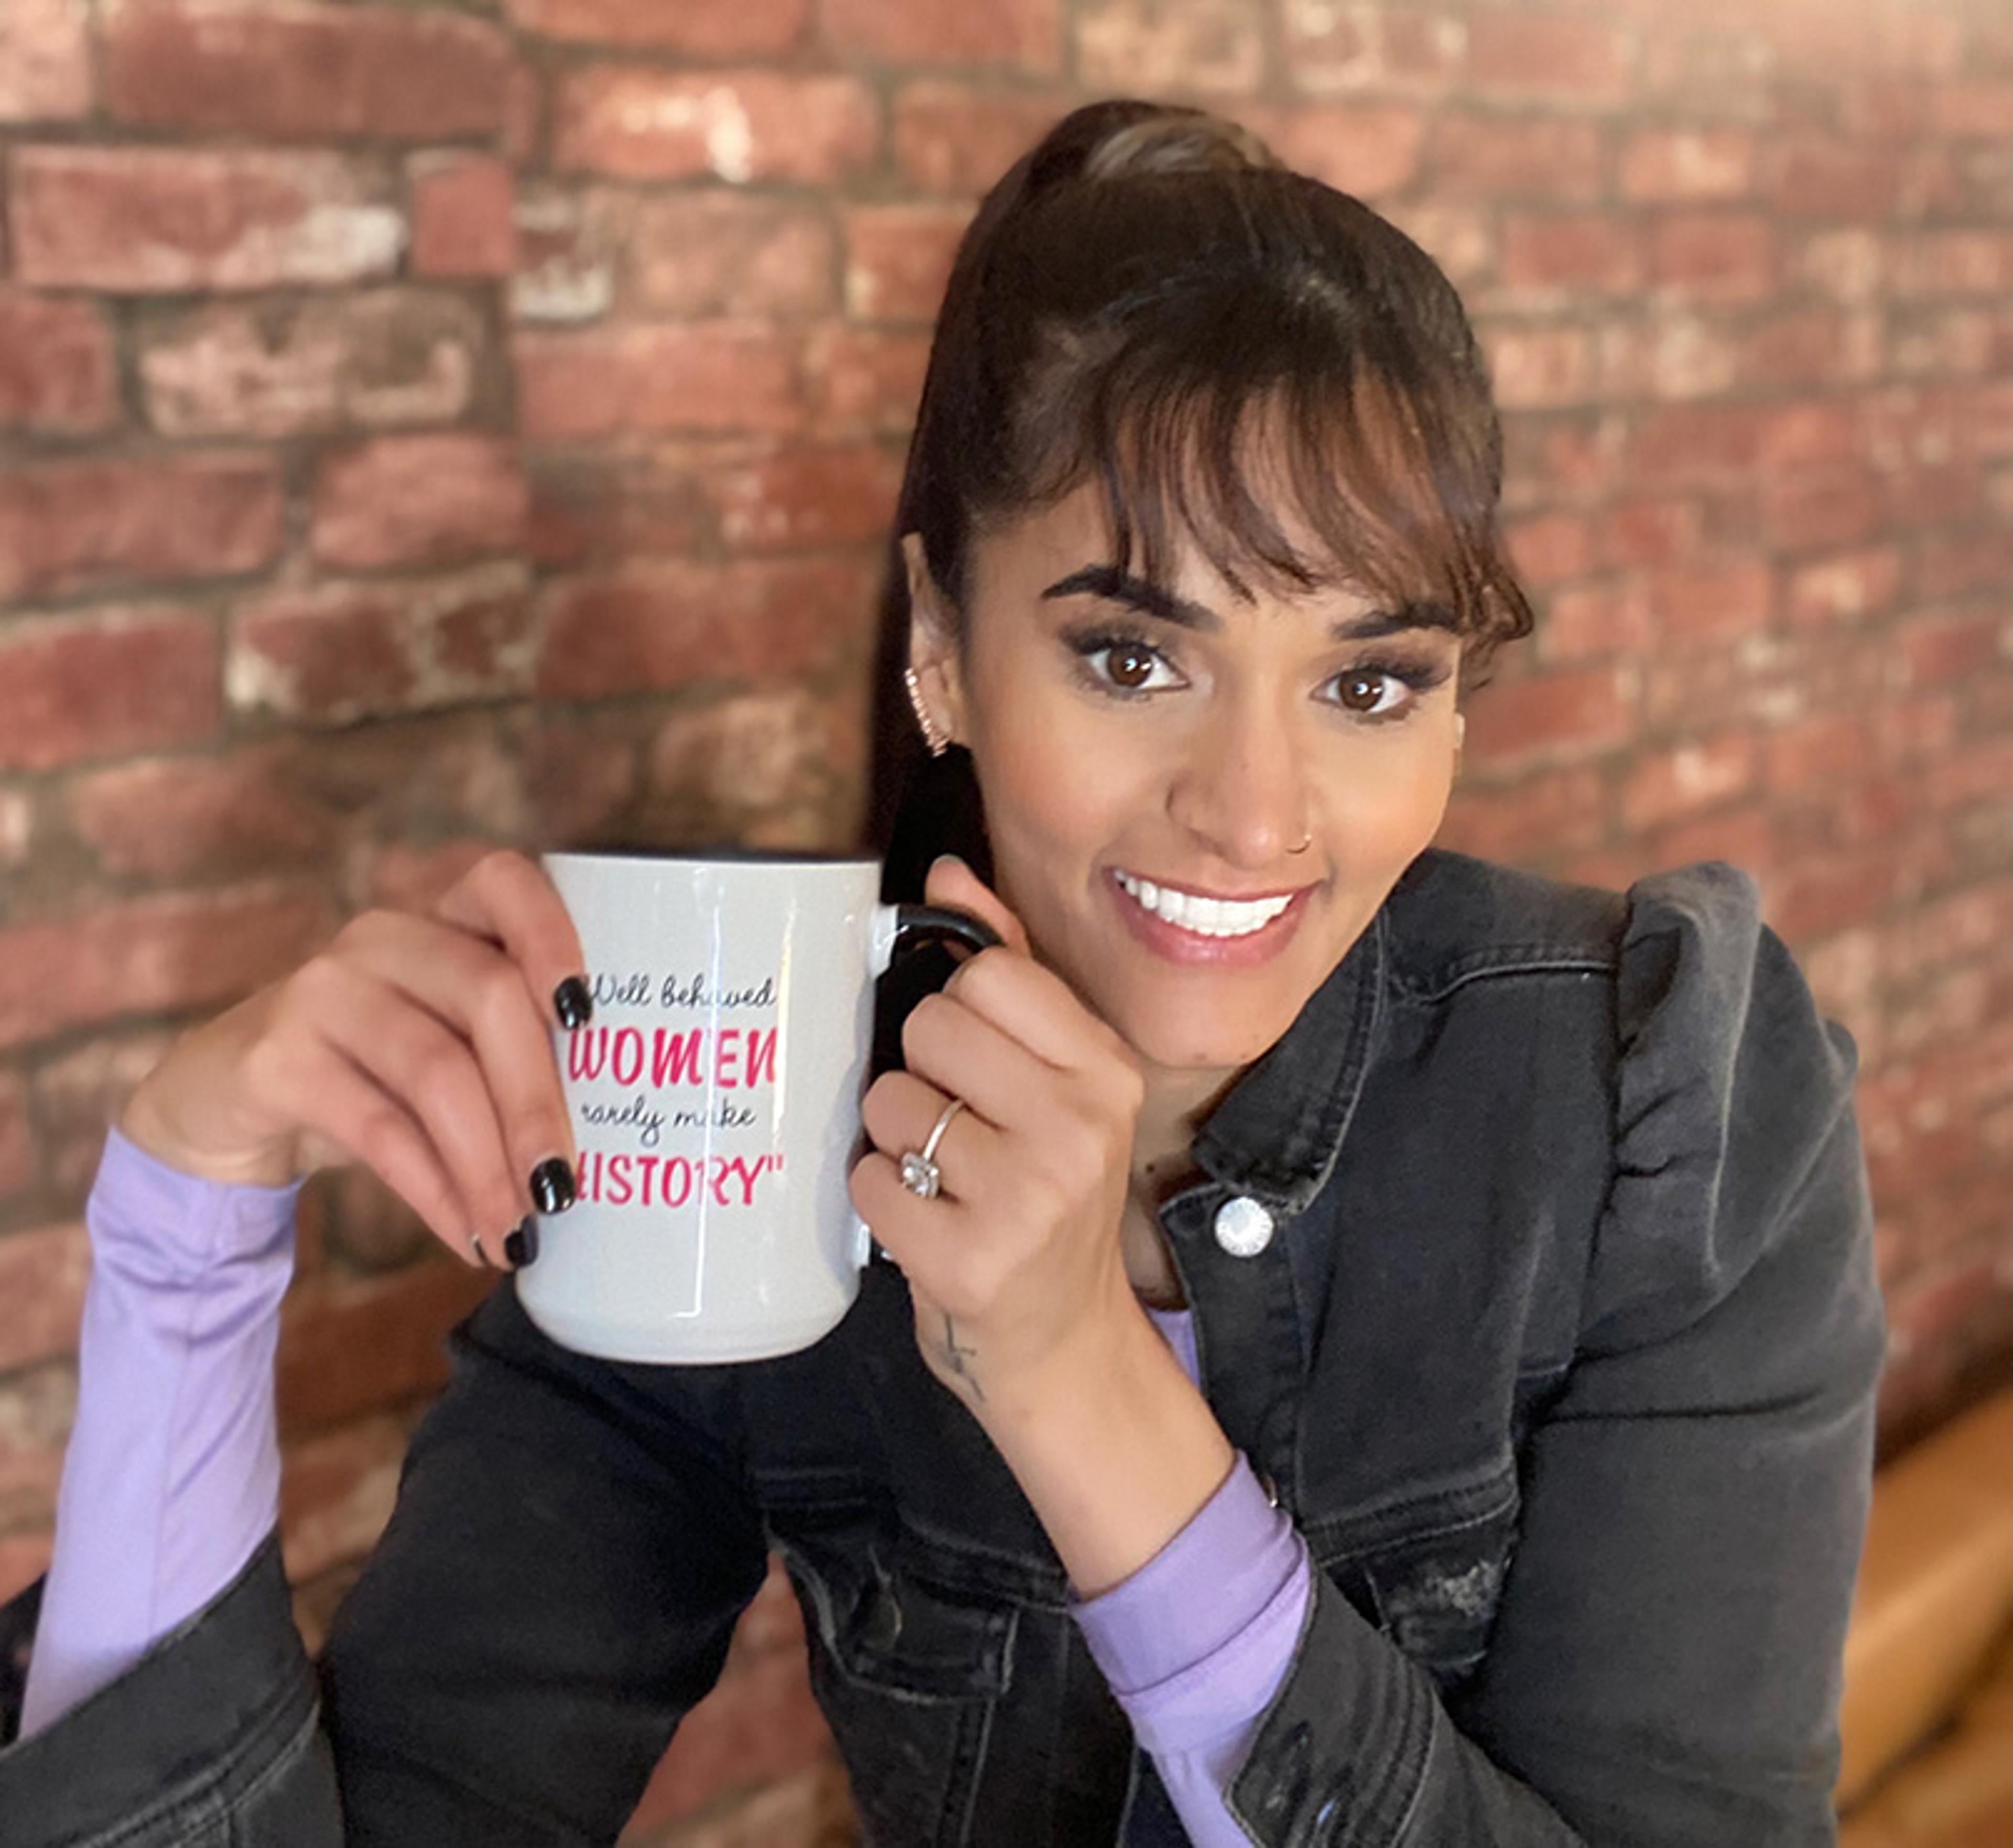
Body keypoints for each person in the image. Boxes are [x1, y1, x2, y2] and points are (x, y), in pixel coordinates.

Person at [0, 99, 1881, 1846]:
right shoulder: (734, 1140)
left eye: (1369, 683)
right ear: (941, 642)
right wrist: (184, 1232)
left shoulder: (1664, 1109)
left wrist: (1078, 1384)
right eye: (1133, 658)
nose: (1252, 814)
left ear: (1457, 707)